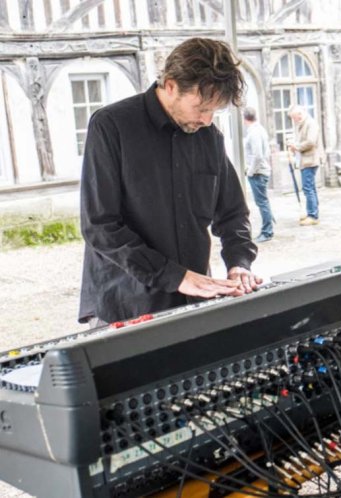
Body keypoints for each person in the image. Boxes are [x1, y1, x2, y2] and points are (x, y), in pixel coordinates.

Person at [79, 37, 261, 326]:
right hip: (126, 301)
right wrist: (175, 276)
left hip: (193, 298)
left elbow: (233, 214)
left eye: (215, 110)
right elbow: (99, 226)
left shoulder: (209, 137)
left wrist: (239, 262)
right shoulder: (111, 125)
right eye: (201, 107)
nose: (207, 120)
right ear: (171, 86)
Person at [287, 105, 323, 226]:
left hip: (310, 160)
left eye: (294, 117)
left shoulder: (310, 123)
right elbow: (302, 141)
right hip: (306, 160)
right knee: (310, 187)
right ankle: (312, 213)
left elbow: (311, 142)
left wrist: (296, 146)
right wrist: (294, 146)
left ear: (299, 115)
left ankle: (313, 215)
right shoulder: (302, 124)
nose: (294, 120)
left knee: (308, 188)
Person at [243, 107, 274, 243]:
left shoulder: (254, 132)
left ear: (245, 119)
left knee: (262, 203)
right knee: (263, 202)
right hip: (261, 171)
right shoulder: (260, 129)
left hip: (258, 172)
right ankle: (268, 227)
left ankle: (267, 231)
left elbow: (258, 155)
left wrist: (250, 172)